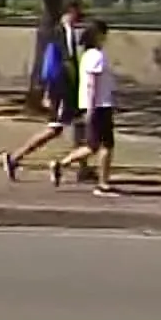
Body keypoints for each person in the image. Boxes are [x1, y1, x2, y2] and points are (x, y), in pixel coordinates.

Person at [1, 0, 89, 180]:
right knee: (54, 129)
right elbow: (51, 64)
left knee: (80, 125)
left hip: (73, 89)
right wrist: (48, 91)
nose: (80, 15)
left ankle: (83, 168)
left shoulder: (73, 33)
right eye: (77, 11)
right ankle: (15, 157)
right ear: (70, 11)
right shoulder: (58, 33)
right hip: (62, 90)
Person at [52, 20, 120, 196]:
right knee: (106, 146)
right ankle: (102, 184)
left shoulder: (88, 55)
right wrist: (91, 108)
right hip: (99, 106)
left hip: (98, 104)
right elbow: (92, 84)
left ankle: (61, 164)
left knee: (93, 146)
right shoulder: (96, 56)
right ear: (98, 35)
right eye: (104, 34)